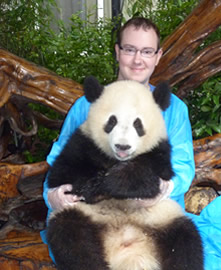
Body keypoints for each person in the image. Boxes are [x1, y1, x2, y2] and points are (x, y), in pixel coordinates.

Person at [41, 16, 195, 255]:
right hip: (92, 213)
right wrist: (53, 196)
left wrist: (163, 188)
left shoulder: (174, 109)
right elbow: (60, 162)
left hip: (148, 215)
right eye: (130, 49)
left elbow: (182, 166)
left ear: (158, 56)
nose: (137, 60)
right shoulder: (85, 107)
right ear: (117, 51)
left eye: (146, 51)